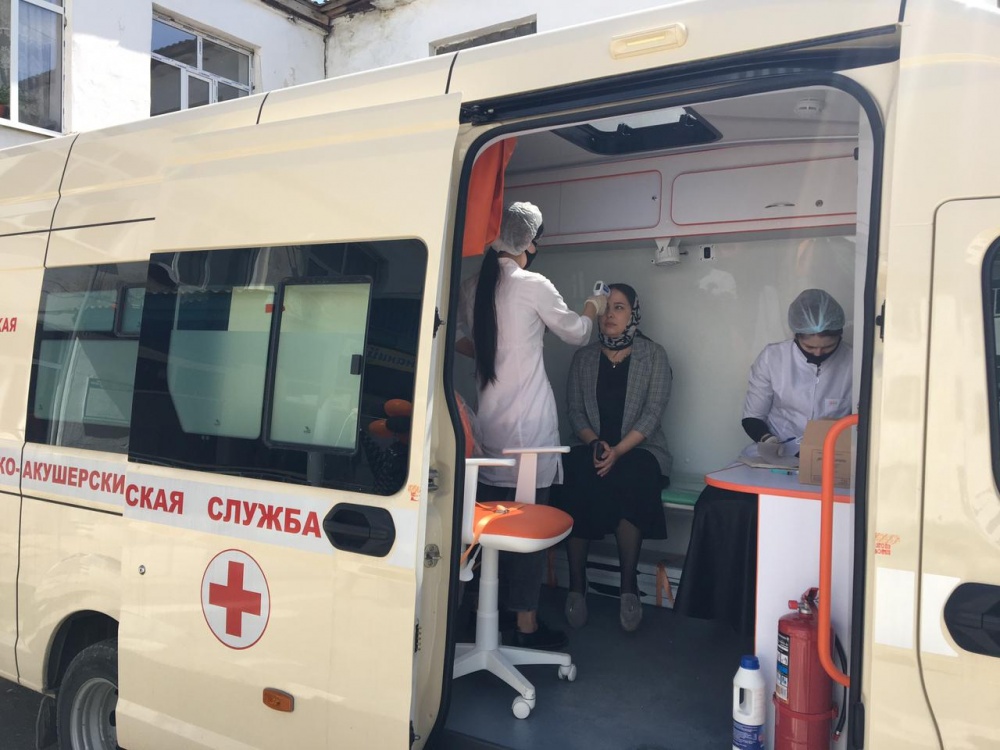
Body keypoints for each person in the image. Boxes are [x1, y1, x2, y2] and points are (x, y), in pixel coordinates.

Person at [457, 201, 607, 650]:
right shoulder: (531, 284)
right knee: (524, 529)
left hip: (490, 433)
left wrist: (500, 353)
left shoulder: (472, 287)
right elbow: (578, 332)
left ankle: (483, 617)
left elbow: (466, 342)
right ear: (531, 244)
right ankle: (524, 625)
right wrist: (593, 306)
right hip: (529, 435)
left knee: (489, 532)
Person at [674, 289, 852, 635]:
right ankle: (730, 611)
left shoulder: (856, 361)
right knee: (716, 505)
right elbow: (752, 416)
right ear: (796, 336)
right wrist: (767, 440)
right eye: (809, 347)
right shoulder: (773, 358)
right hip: (775, 453)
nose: (817, 354)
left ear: (839, 336)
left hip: (829, 458)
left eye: (826, 348)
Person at [556, 284, 672, 633]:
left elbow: (653, 414)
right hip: (591, 445)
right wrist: (595, 443)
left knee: (632, 474)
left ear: (634, 313)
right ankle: (576, 586)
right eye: (605, 307)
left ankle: (628, 588)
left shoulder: (654, 355)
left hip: (639, 449)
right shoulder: (584, 358)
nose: (609, 315)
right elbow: (575, 412)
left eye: (619, 307)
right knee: (574, 471)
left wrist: (618, 451)